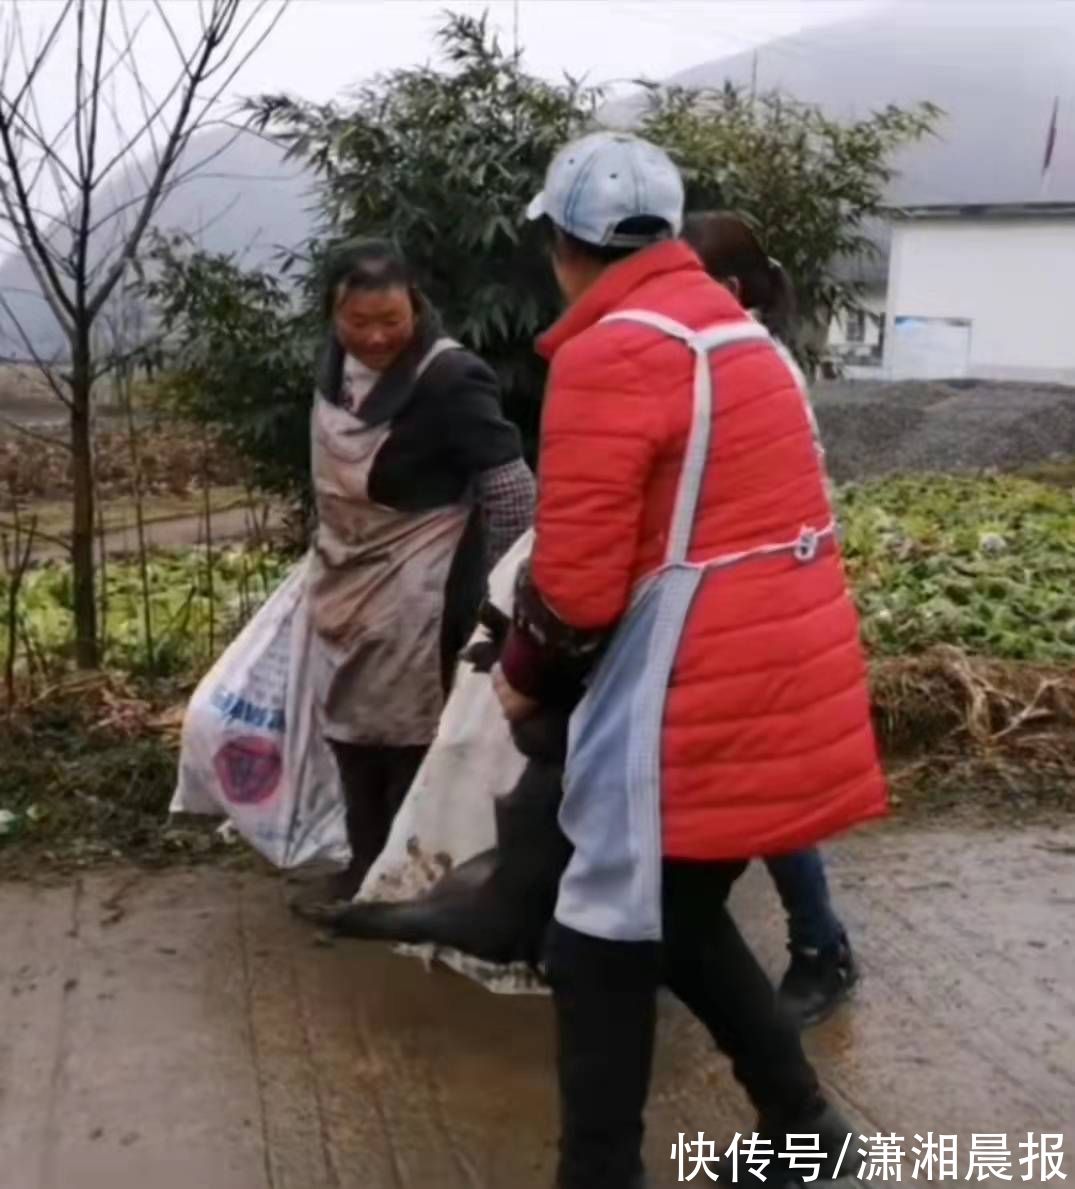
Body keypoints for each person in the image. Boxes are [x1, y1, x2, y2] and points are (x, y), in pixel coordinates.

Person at [493, 132, 887, 1189]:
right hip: (784, 669)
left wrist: (519, 675)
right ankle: (808, 1132)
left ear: (560, 244)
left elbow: (575, 588)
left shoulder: (612, 350)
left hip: (692, 692)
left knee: (596, 944)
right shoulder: (740, 336)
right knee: (677, 912)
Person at [305, 237, 534, 904]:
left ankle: (404, 883)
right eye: (357, 322)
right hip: (343, 574)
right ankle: (363, 864)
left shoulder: (448, 377)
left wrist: (502, 599)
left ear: (416, 308)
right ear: (331, 314)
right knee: (349, 727)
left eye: (391, 322)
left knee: (407, 735)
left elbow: (512, 489)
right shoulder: (333, 368)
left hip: (422, 590)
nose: (375, 337)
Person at [682, 210, 858, 1028]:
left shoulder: (744, 363)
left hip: (765, 604)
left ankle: (820, 947)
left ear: (727, 290)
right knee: (727, 782)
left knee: (764, 788)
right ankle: (681, 938)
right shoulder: (715, 355)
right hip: (736, 601)